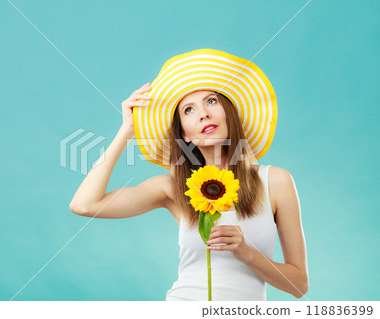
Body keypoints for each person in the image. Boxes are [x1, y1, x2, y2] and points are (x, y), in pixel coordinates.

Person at [69, 49, 308, 301]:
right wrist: (127, 129)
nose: (203, 113)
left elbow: (299, 285)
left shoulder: (276, 181)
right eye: (189, 110)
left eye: (211, 101)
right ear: (184, 134)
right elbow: (85, 205)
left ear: (230, 112)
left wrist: (247, 253)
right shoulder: (172, 188)